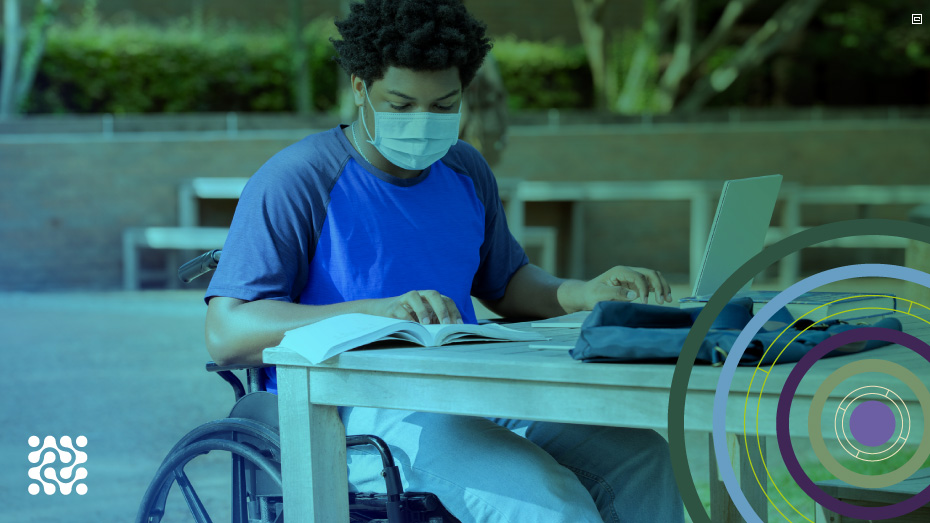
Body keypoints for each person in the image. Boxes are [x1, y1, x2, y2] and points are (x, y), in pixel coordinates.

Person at [204, 1, 684, 521]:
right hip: (357, 412)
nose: (422, 123)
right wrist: (377, 312)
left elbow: (507, 283)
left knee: (643, 457)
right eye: (402, 104)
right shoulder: (298, 180)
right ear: (361, 88)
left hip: (475, 391)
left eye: (442, 106)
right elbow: (227, 334)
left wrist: (585, 293)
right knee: (550, 502)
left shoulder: (464, 169)